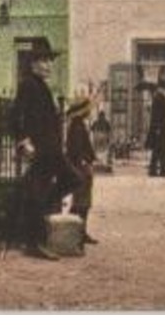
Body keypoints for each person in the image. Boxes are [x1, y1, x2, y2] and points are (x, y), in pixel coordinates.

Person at [11, 39, 71, 260]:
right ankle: (34, 243)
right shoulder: (28, 84)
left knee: (72, 180)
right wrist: (23, 141)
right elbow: (15, 115)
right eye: (44, 60)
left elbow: (45, 119)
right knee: (36, 194)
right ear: (33, 64)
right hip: (41, 151)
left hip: (52, 149)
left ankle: (43, 212)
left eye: (50, 60)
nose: (48, 65)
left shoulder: (42, 86)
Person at [63, 96, 99, 244]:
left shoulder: (77, 125)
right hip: (80, 168)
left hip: (80, 166)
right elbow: (77, 150)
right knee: (81, 203)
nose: (89, 111)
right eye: (88, 109)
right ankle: (76, 233)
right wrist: (85, 164)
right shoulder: (77, 126)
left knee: (82, 202)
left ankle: (80, 232)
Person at [145, 72, 165, 177]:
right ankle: (157, 170)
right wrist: (157, 127)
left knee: (161, 149)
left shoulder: (164, 95)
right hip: (159, 126)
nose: (164, 76)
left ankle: (160, 170)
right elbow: (156, 114)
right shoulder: (158, 97)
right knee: (158, 149)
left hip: (163, 126)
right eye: (163, 74)